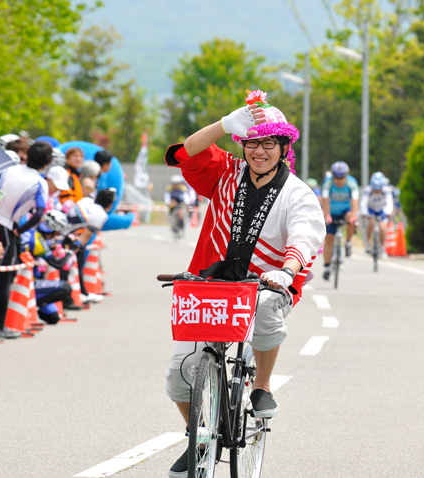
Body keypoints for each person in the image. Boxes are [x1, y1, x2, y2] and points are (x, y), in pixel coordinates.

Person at [162, 89, 325, 477]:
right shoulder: (225, 172)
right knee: (177, 375)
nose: (259, 151)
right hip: (211, 285)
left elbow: (305, 234)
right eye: (252, 142)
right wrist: (223, 125)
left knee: (268, 309)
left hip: (267, 284)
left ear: (284, 146)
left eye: (269, 143)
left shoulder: (296, 193)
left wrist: (286, 269)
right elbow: (188, 152)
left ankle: (262, 385)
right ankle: (198, 435)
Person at [0, 141, 52, 339]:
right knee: (4, 280)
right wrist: (21, 231)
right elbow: (39, 213)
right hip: (9, 228)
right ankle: (0, 326)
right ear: (47, 162)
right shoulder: (39, 182)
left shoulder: (11, 169)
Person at [320, 161, 359, 280]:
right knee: (329, 238)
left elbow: (354, 202)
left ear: (346, 176)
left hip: (345, 211)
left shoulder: (352, 183)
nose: (339, 181)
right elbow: (325, 200)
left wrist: (353, 215)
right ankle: (327, 267)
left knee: (351, 219)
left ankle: (348, 242)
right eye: (336, 178)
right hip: (331, 211)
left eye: (341, 178)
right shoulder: (328, 183)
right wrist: (327, 216)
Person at [360, 171, 394, 256]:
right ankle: (367, 243)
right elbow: (363, 203)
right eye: (375, 189)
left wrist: (388, 212)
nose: (376, 191)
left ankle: (382, 247)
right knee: (371, 223)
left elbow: (389, 203)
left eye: (378, 189)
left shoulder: (386, 190)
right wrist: (365, 213)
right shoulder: (368, 190)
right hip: (371, 209)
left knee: (382, 227)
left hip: (381, 209)